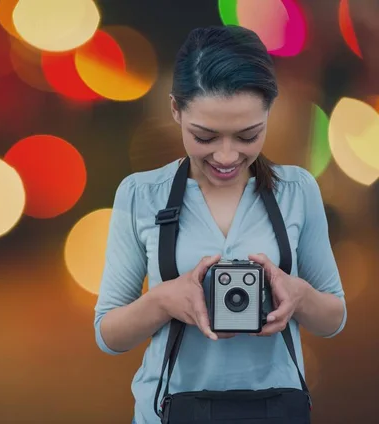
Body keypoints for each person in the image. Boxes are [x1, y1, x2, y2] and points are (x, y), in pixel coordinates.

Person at [94, 25, 347, 424]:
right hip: (170, 411)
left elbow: (334, 318)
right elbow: (108, 335)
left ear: (269, 112)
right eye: (205, 136)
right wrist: (164, 301)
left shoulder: (298, 191)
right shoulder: (141, 194)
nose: (226, 156)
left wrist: (298, 296)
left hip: (275, 409)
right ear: (176, 109)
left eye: (248, 135)